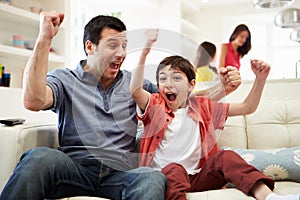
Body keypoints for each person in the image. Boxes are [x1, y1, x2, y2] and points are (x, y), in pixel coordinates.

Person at [0, 11, 242, 200]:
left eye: (125, 46)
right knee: (38, 158)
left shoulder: (133, 83)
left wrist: (223, 89)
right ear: (89, 47)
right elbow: (33, 100)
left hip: (120, 173)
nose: (121, 53)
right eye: (113, 45)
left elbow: (177, 99)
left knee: (151, 178)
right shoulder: (66, 79)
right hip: (76, 167)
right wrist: (44, 39)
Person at [130, 29, 300, 200]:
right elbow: (136, 90)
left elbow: (247, 107)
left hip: (199, 177)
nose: (168, 84)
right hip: (165, 178)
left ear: (191, 85)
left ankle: (270, 197)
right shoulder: (156, 105)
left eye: (176, 78)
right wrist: (145, 51)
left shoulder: (202, 106)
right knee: (175, 168)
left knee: (225, 157)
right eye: (162, 78)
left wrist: (260, 79)